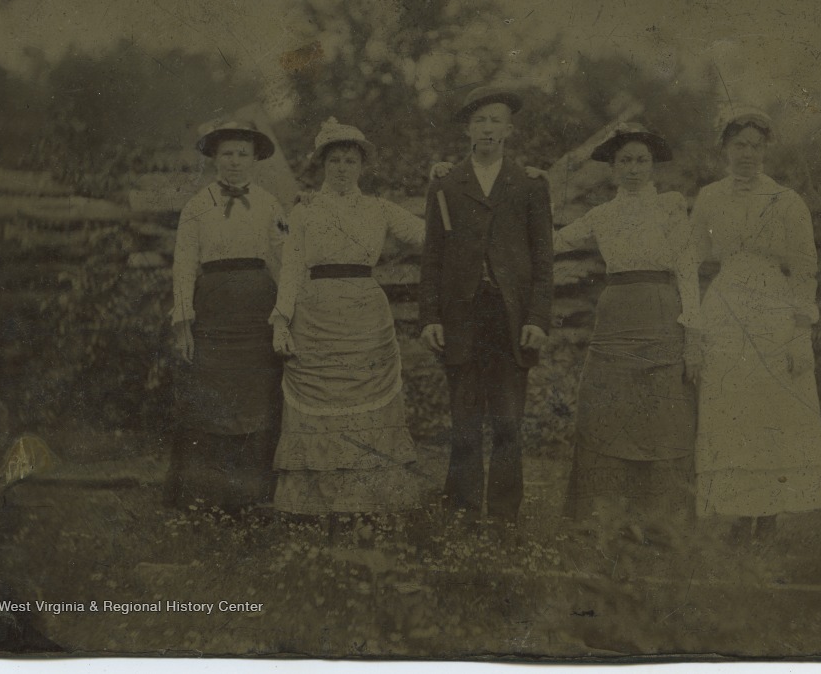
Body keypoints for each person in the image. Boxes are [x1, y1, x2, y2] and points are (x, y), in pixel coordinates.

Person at [689, 107, 821, 538]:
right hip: (724, 311)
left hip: (773, 313)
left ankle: (769, 515)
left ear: (766, 150)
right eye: (740, 145)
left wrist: (800, 331)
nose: (748, 154)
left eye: (756, 146)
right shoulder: (709, 198)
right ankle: (738, 513)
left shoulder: (787, 201)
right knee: (731, 407)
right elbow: (691, 255)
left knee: (771, 412)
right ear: (725, 148)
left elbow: (805, 268)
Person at [554, 122, 700, 544]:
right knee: (608, 408)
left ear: (652, 165)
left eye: (641, 160)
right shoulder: (601, 215)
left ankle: (659, 522)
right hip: (617, 313)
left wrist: (693, 338)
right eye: (625, 161)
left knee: (662, 413)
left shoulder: (671, 206)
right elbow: (555, 242)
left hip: (661, 311)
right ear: (612, 168)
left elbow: (687, 269)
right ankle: (603, 518)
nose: (633, 169)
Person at [270, 118, 424, 518]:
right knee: (320, 399)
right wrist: (281, 320)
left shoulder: (379, 209)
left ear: (361, 166)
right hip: (316, 314)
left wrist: (442, 182)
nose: (342, 168)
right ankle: (316, 505)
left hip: (365, 317)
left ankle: (370, 503)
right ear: (322, 164)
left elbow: (431, 235)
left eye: (350, 160)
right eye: (334, 160)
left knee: (365, 404)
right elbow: (291, 268)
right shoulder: (304, 213)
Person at [419, 84, 553, 524]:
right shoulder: (445, 184)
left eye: (496, 120)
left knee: (509, 423)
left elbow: (543, 260)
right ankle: (460, 512)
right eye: (480, 121)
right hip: (462, 317)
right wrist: (430, 317)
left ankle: (502, 516)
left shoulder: (530, 184)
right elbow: (432, 258)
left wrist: (537, 318)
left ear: (509, 130)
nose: (488, 129)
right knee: (464, 421)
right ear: (467, 131)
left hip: (510, 319)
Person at [166, 118, 286, 512]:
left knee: (257, 400)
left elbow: (283, 262)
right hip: (214, 313)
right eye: (228, 153)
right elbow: (184, 266)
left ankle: (252, 497)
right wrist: (184, 325)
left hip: (258, 315)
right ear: (215, 158)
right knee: (212, 402)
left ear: (255, 160)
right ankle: (206, 498)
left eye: (243, 154)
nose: (235, 161)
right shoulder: (198, 206)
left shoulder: (270, 204)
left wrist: (285, 314)